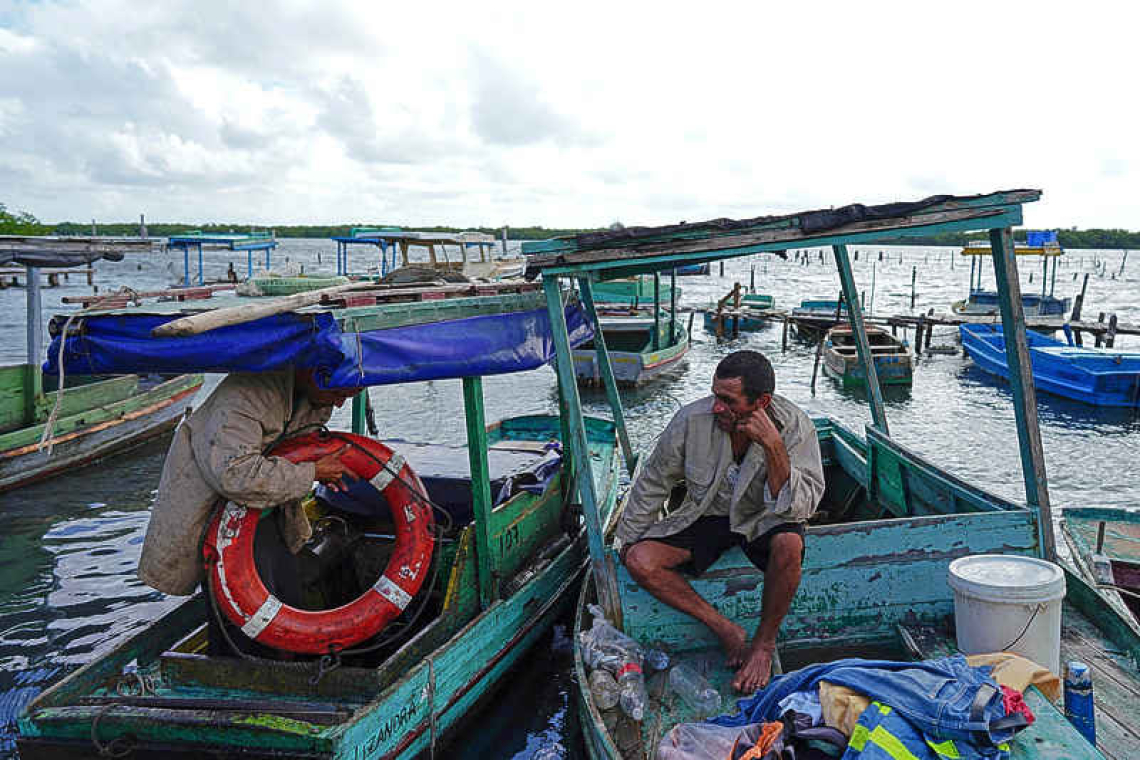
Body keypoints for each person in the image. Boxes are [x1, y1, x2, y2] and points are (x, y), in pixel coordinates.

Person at [616, 350, 825, 693]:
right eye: (715, 395)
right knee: (640, 559)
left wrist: (772, 445)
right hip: (708, 514)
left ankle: (762, 645)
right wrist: (625, 544)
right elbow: (654, 483)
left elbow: (798, 509)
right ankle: (726, 629)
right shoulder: (691, 420)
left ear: (762, 402)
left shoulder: (795, 426)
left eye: (728, 401)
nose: (717, 407)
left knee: (790, 543)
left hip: (764, 518)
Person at [138, 368, 361, 651]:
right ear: (314, 372)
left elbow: (297, 450)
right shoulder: (245, 397)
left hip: (271, 516)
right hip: (218, 525)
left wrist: (319, 465)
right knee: (243, 620)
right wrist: (313, 472)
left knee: (288, 597)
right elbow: (234, 474)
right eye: (339, 394)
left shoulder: (316, 399)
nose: (339, 404)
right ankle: (239, 675)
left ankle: (288, 664)